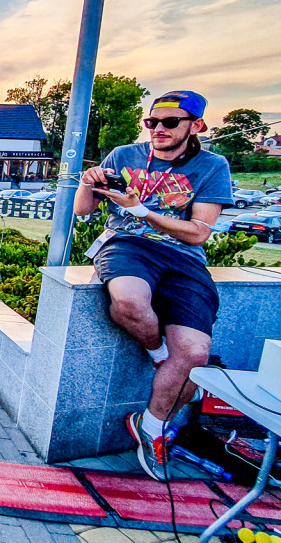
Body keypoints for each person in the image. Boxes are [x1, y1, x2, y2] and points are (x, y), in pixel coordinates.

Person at [73, 90, 233, 482]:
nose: (158, 129)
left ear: (196, 126)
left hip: (183, 258)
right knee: (128, 302)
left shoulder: (212, 165)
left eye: (170, 122)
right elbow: (82, 209)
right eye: (152, 122)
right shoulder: (124, 156)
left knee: (195, 353)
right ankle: (160, 354)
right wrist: (87, 182)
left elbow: (198, 234)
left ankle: (152, 427)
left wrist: (142, 209)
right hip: (126, 244)